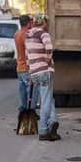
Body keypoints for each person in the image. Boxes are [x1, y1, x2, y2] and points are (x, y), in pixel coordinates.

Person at [26, 14, 59, 142]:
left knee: (48, 98)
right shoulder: (43, 34)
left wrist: (30, 72)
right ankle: (43, 130)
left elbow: (28, 56)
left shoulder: (28, 35)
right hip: (45, 71)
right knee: (46, 100)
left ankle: (53, 121)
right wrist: (48, 58)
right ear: (43, 22)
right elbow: (49, 47)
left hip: (34, 72)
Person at [14, 14, 39, 129]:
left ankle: (22, 114)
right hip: (26, 68)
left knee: (22, 93)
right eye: (31, 22)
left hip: (19, 67)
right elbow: (28, 52)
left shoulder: (17, 34)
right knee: (32, 92)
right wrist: (31, 67)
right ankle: (31, 113)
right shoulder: (26, 35)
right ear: (28, 23)